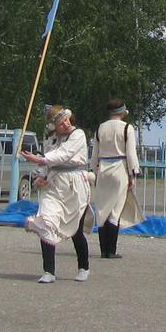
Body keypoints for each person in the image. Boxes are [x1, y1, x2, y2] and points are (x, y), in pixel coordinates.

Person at [21, 105, 93, 283]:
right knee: (46, 222)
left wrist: (40, 159)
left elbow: (64, 155)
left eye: (67, 120)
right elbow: (47, 165)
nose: (66, 124)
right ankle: (49, 271)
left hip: (75, 185)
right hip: (54, 186)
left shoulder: (78, 135)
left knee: (76, 230)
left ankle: (83, 267)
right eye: (61, 123)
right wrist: (40, 177)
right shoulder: (50, 140)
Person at [92, 98, 144, 259]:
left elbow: (95, 154)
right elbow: (131, 154)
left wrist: (94, 171)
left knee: (102, 209)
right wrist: (133, 174)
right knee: (116, 209)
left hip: (103, 169)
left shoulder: (100, 128)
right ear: (122, 113)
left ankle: (103, 250)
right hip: (120, 168)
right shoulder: (127, 128)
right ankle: (111, 250)